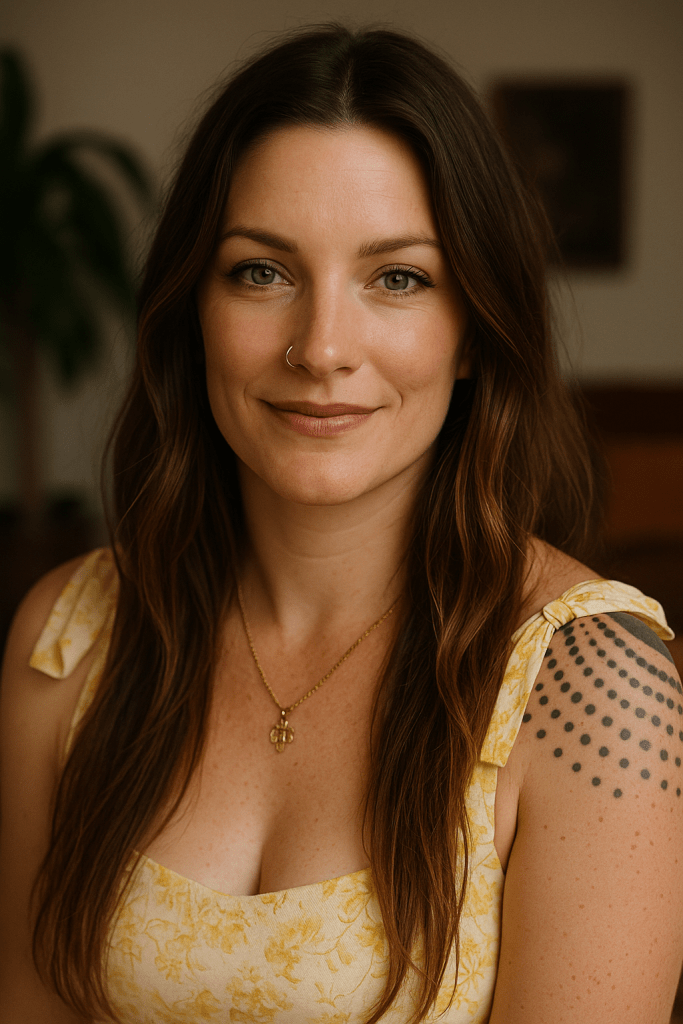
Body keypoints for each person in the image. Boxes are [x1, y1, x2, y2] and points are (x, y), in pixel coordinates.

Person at [1, 23, 682, 1024]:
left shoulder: (592, 687)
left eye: (396, 278)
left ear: (472, 332)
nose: (321, 348)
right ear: (193, 311)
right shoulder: (69, 636)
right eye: (260, 272)